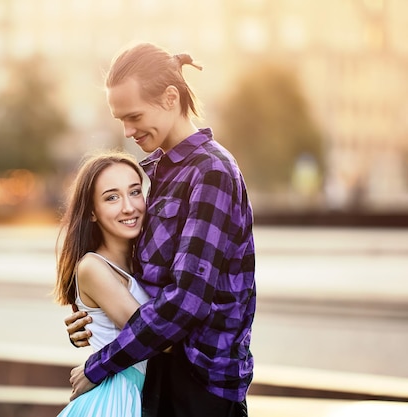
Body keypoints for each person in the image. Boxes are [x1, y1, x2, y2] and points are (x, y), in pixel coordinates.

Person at [65, 42, 256, 416]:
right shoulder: (160, 171)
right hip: (158, 371)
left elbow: (187, 300)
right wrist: (97, 317)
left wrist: (101, 363)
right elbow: (143, 278)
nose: (127, 130)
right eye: (120, 119)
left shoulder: (210, 172)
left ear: (171, 98)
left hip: (202, 385)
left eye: (134, 116)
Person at [54, 151, 150, 416]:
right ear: (92, 212)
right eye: (112, 197)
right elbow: (151, 334)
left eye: (134, 192)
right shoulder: (92, 267)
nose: (129, 207)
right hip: (115, 400)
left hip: (142, 395)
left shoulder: (144, 261)